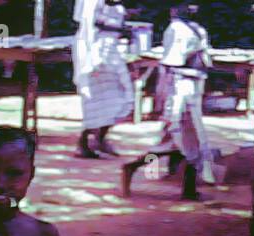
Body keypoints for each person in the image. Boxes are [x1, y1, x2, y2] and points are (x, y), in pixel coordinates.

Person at [121, 3, 213, 201]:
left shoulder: (197, 29)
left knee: (181, 145)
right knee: (186, 142)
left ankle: (187, 189)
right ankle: (133, 168)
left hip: (192, 89)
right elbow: (172, 65)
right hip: (180, 92)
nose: (191, 8)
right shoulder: (176, 29)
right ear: (174, 9)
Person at [73, 0, 132, 159]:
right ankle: (85, 143)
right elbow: (88, 28)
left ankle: (100, 138)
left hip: (111, 51)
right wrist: (90, 62)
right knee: (94, 101)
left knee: (122, 96)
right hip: (95, 51)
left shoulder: (117, 6)